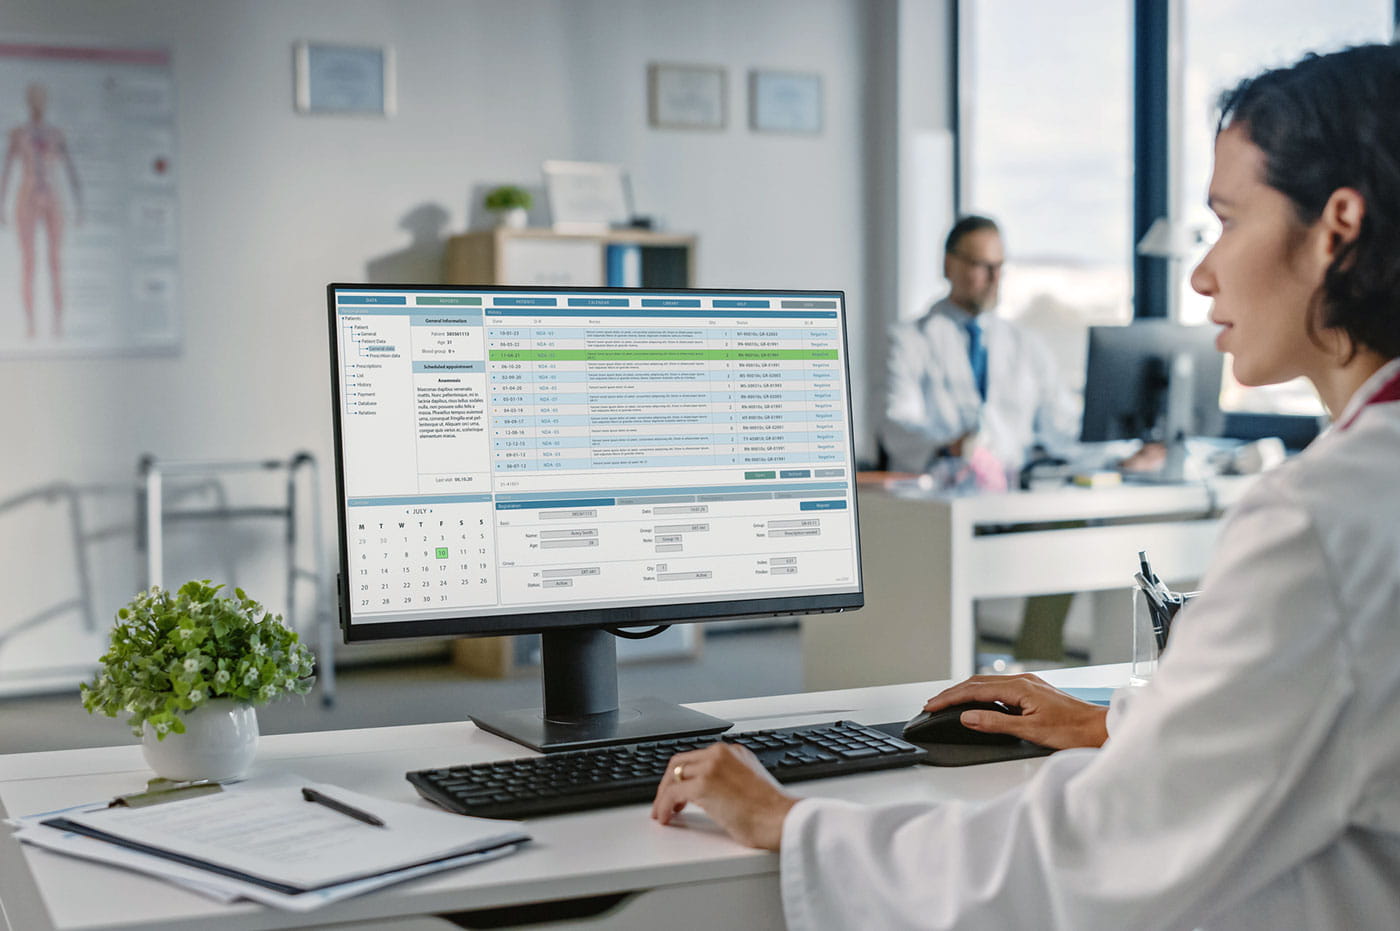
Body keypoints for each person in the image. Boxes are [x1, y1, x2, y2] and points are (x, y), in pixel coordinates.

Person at [651, 43, 1400, 929]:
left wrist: (793, 821)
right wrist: (1116, 725)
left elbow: (1089, 855)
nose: (1202, 273)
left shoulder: (1320, 520)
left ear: (1336, 228)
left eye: (1227, 222)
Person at [880, 215, 1080, 482]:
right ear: (949, 265)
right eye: (982, 266)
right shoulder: (908, 340)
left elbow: (1063, 426)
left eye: (999, 266)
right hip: (938, 495)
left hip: (1015, 494)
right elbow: (895, 426)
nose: (994, 278)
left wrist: (1119, 450)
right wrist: (950, 447)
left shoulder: (1027, 345)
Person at [0, 82, 83, 339]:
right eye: (33, 97)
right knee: (29, 262)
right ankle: (30, 324)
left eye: (41, 97)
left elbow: (70, 169)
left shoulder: (56, 135)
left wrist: (79, 204)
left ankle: (57, 323)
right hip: (26, 195)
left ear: (45, 101)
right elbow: (7, 171)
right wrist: (1, 204)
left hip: (52, 195)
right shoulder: (18, 134)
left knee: (55, 262)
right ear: (28, 101)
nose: (38, 102)